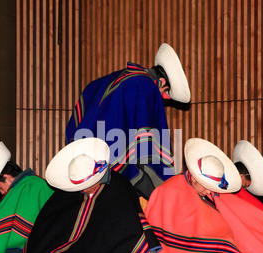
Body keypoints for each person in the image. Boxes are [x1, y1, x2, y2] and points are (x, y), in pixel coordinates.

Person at [0, 138, 161, 253]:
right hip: (76, 246)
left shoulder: (119, 186)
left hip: (107, 243)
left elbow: (123, 225)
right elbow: (50, 221)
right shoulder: (67, 192)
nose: (81, 190)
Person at [66, 43, 191, 199]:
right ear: (162, 82)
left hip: (84, 167)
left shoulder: (102, 83)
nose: (163, 98)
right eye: (164, 92)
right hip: (117, 179)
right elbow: (146, 140)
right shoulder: (146, 86)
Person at [144, 138, 256, 253]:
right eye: (207, 186)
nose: (210, 192)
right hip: (177, 249)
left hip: (203, 241)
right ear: (195, 178)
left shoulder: (201, 189)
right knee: (223, 248)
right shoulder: (169, 191)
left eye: (212, 187)